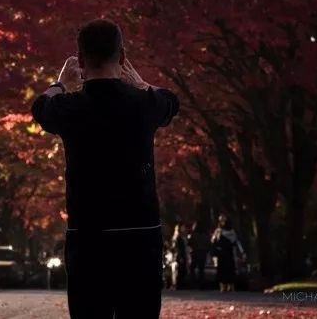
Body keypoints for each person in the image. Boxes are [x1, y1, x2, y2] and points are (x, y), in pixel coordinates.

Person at [31, 19, 180, 319]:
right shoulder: (144, 103)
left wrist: (59, 82)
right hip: (140, 235)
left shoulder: (69, 107)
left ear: (81, 61)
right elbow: (171, 102)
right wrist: (141, 83)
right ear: (122, 57)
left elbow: (41, 109)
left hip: (88, 235)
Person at [211, 216, 244, 292]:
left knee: (230, 270)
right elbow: (213, 242)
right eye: (221, 220)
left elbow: (236, 242)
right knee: (222, 270)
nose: (222, 222)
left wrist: (242, 252)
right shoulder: (218, 231)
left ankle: (231, 286)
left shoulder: (232, 232)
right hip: (221, 254)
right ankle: (223, 286)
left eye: (224, 220)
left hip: (229, 253)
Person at [188, 220, 210, 289]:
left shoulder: (194, 234)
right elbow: (208, 244)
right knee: (201, 269)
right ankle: (201, 285)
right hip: (203, 253)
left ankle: (193, 283)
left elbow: (190, 243)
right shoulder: (205, 234)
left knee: (192, 268)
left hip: (195, 252)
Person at [171, 224, 188, 290]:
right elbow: (178, 248)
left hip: (182, 255)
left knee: (181, 270)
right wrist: (180, 256)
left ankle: (179, 285)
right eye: (182, 228)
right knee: (179, 271)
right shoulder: (177, 237)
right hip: (179, 256)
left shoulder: (182, 237)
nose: (184, 229)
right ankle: (178, 285)